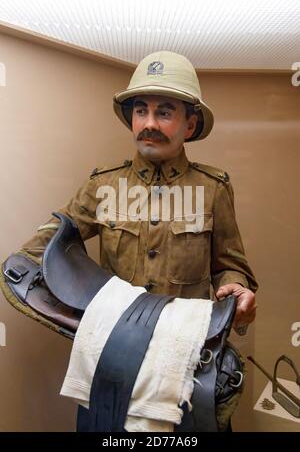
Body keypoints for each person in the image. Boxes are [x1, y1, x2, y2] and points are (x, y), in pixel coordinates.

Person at [0, 50, 258, 430]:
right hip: (111, 358)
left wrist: (235, 289)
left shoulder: (212, 189)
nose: (149, 123)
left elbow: (229, 264)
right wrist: (39, 284)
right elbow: (49, 243)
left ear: (190, 124)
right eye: (141, 110)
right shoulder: (102, 185)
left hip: (185, 361)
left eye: (165, 112)